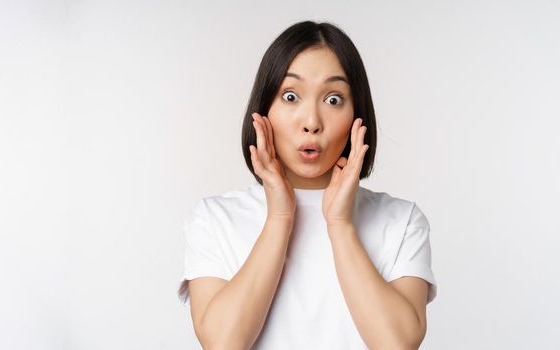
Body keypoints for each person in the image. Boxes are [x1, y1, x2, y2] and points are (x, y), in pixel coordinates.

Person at [177, 20, 437, 349]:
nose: (311, 122)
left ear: (359, 116)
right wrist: (279, 219)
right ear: (263, 111)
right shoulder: (213, 219)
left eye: (333, 100)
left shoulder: (402, 221)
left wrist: (340, 224)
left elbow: (398, 345)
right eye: (290, 96)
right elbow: (223, 344)